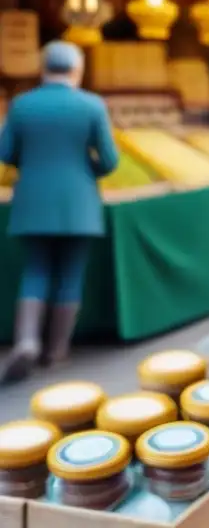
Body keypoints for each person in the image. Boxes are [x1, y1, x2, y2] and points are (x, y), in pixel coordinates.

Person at [0, 41, 118, 384]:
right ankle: (57, 351)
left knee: (35, 269)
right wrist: (85, 172)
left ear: (43, 68)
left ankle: (26, 341)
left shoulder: (22, 105)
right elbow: (110, 159)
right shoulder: (92, 105)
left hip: (33, 199)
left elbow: (6, 153)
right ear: (77, 70)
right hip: (78, 202)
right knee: (70, 274)